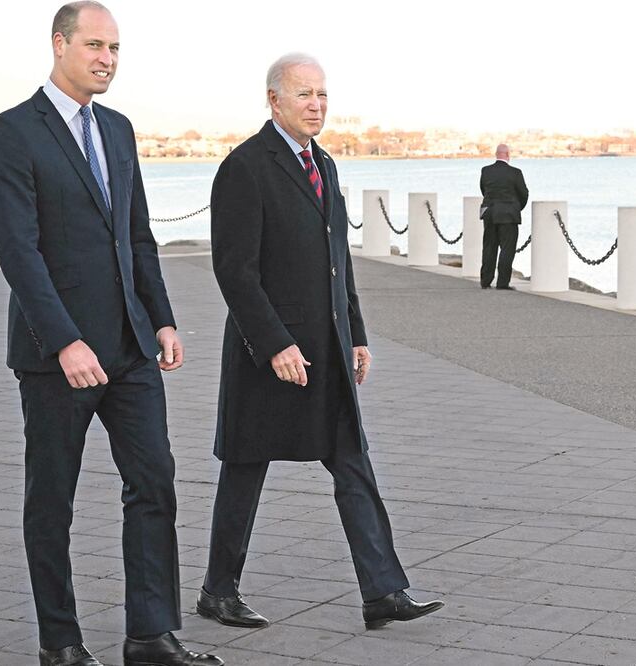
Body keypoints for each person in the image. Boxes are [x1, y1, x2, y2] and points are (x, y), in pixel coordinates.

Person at [0, 3, 222, 665]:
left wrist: (163, 318)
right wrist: (63, 340)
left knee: (154, 483)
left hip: (130, 348)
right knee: (51, 499)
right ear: (59, 45)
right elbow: (18, 250)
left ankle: (149, 635)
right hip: (55, 355)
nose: (107, 59)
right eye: (94, 45)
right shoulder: (14, 132)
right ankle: (60, 644)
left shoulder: (117, 130)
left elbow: (136, 237)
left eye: (115, 48)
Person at [199, 52, 444, 632]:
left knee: (353, 463)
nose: (317, 105)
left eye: (323, 95)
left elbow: (339, 263)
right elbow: (235, 270)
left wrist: (356, 333)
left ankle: (383, 591)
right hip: (270, 357)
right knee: (245, 467)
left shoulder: (325, 165)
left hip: (328, 351)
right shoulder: (244, 168)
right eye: (304, 94)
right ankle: (218, 591)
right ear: (274, 100)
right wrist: (275, 343)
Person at [479, 144, 529, 290]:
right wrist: (516, 207)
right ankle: (502, 283)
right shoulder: (516, 173)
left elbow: (484, 190)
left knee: (489, 247)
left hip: (489, 213)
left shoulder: (486, 171)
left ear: (496, 154)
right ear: (508, 154)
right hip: (508, 214)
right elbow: (524, 194)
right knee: (507, 248)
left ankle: (485, 280)